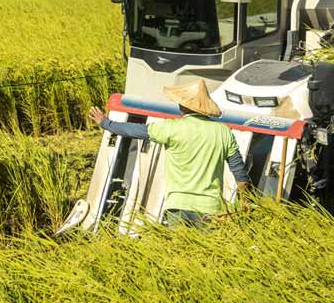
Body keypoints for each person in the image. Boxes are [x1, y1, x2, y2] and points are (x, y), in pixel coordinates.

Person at [88, 79, 249, 225]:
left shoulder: (171, 128)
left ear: (183, 106)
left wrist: (106, 123)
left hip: (177, 205)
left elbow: (134, 130)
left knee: (178, 254)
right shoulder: (223, 132)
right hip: (209, 209)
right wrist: (246, 200)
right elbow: (239, 172)